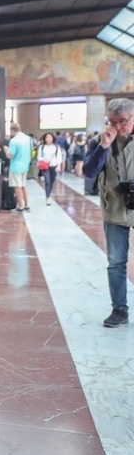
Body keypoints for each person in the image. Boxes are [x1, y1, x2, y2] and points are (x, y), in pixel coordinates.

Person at [84, 98, 134, 329]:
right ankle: (119, 310)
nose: (117, 127)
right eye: (112, 122)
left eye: (122, 121)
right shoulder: (100, 140)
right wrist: (104, 146)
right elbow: (90, 172)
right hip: (114, 209)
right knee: (116, 263)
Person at [5, 122, 33, 212]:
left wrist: (6, 151)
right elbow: (31, 151)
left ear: (12, 130)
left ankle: (21, 205)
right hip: (25, 165)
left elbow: (11, 155)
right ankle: (27, 204)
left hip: (16, 166)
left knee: (17, 186)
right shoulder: (28, 139)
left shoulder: (14, 141)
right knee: (23, 185)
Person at [36, 132, 64, 206]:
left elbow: (59, 157)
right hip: (45, 166)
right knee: (47, 181)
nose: (48, 139)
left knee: (51, 182)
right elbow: (39, 157)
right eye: (47, 138)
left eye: (50, 137)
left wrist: (59, 165)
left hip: (53, 166)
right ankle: (48, 197)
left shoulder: (56, 147)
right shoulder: (41, 147)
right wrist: (44, 160)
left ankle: (49, 193)